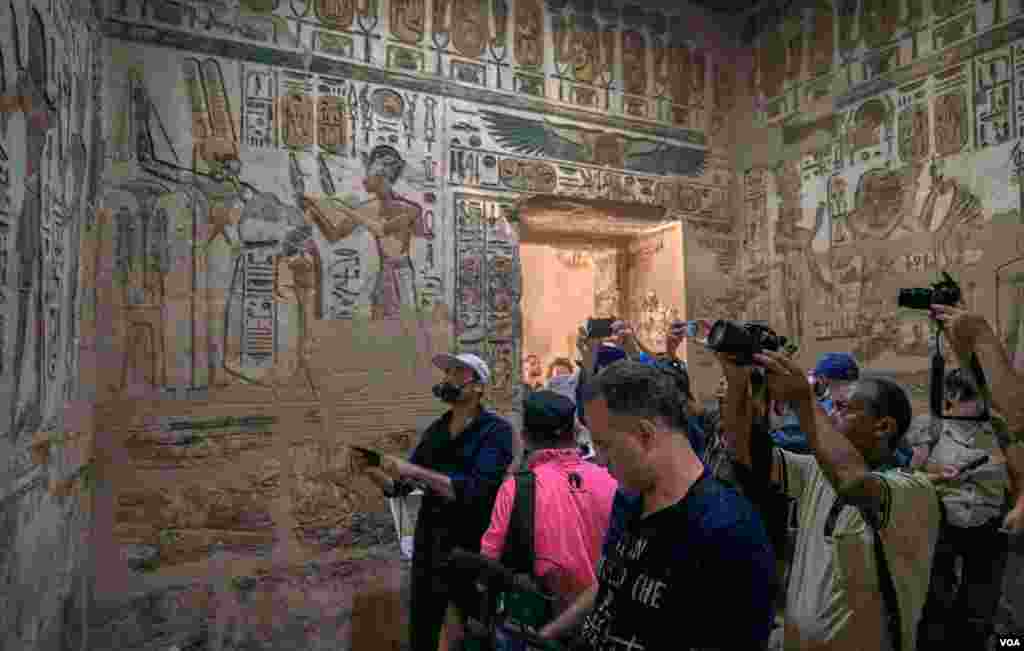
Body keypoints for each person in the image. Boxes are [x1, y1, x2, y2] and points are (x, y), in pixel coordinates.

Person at [539, 360, 778, 649]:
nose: (599, 460)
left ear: (645, 435)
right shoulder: (629, 499)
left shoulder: (727, 529)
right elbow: (612, 583)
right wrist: (550, 632)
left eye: (604, 445)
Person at [721, 350, 940, 651]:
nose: (829, 415)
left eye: (841, 408)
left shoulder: (912, 489)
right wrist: (738, 383)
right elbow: (743, 452)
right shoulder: (818, 471)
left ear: (883, 427)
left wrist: (803, 401)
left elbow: (855, 485)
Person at [354, 352, 516, 651]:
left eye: (458, 373)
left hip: (471, 548)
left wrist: (412, 471)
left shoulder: (497, 432)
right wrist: (371, 469)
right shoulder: (437, 430)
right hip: (430, 546)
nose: (449, 378)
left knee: (474, 632)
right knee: (423, 630)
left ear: (478, 386)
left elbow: (472, 491)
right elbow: (401, 487)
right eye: (448, 372)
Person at [439, 391, 618, 650]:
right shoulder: (612, 480)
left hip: (542, 631)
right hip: (605, 627)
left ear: (525, 437)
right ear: (576, 431)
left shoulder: (516, 488)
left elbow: (488, 563)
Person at [908, 368, 1017, 648]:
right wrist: (938, 475)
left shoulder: (998, 427)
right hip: (941, 523)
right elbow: (911, 477)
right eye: (969, 396)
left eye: (982, 396)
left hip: (989, 523)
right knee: (936, 596)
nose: (978, 404)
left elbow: (1019, 473)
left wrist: (1017, 509)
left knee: (980, 601)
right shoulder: (931, 426)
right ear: (951, 395)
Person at [931, 303, 1024, 535]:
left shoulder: (996, 426)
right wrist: (965, 338)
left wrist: (980, 334)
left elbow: (1015, 414)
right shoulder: (932, 428)